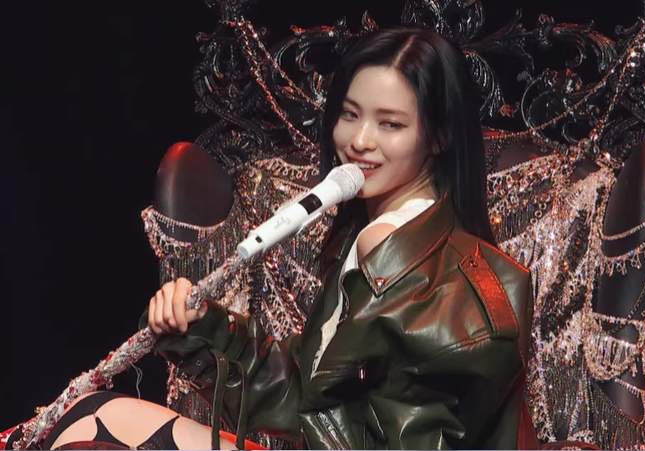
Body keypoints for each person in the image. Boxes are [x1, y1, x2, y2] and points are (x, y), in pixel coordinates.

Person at [27, 27, 542, 450]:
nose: (359, 142)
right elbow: (305, 392)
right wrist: (198, 327)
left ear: (439, 135)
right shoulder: (384, 238)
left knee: (85, 430)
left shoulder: (427, 269)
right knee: (90, 415)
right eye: (349, 114)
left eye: (390, 124)